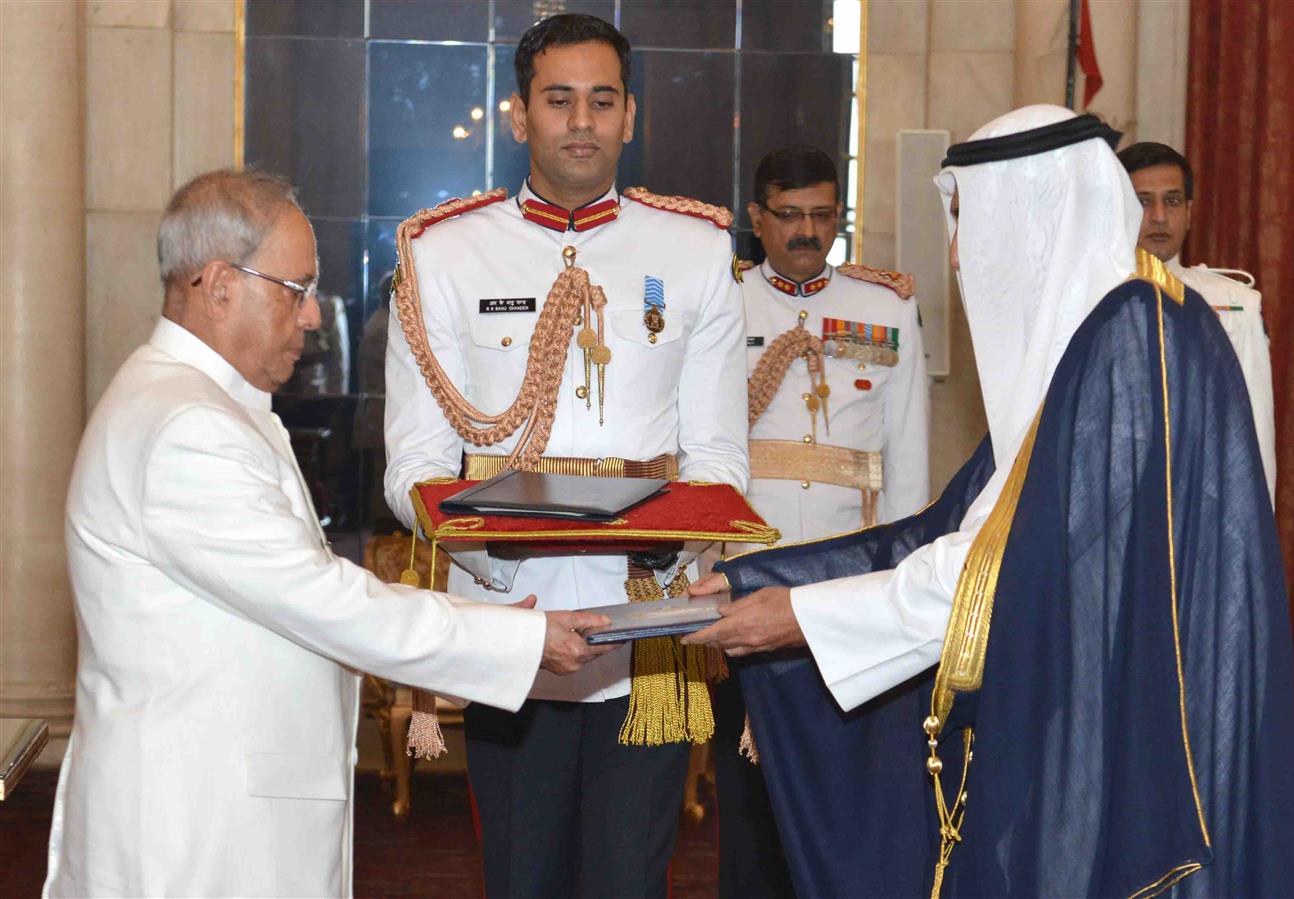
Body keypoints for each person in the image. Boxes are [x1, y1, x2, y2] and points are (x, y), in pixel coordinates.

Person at [685, 106, 1294, 897]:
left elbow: (1008, 564)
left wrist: (797, 616)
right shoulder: (1119, 327)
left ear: (1028, 218)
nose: (955, 252)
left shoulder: (1129, 338)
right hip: (1103, 697)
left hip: (1144, 726)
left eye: (965, 220)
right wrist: (760, 580)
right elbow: (957, 523)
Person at [43, 169, 614, 899]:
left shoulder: (196, 403)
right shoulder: (185, 425)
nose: (313, 315)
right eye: (296, 288)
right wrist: (520, 639)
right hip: (198, 834)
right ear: (219, 284)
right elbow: (319, 599)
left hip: (224, 813)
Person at [382, 13, 748, 899]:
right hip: (507, 628)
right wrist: (494, 555)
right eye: (558, 100)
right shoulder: (441, 253)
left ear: (630, 117)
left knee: (629, 879)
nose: (580, 120)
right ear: (519, 117)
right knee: (521, 879)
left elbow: (718, 457)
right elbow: (412, 466)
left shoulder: (695, 248)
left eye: (601, 100)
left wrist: (677, 546)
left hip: (644, 620)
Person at [716, 143, 928, 898]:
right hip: (751, 571)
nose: (807, 231)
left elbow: (906, 455)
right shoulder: (725, 299)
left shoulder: (885, 305)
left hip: (852, 583)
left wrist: (903, 583)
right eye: (790, 215)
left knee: (848, 791)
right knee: (749, 796)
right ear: (756, 218)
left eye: (822, 214)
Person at [1119, 140, 1277, 501]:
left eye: (1172, 201)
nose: (1159, 216)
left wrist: (1254, 535)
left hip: (1202, 503)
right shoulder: (1089, 301)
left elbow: (1255, 430)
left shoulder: (1235, 303)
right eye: (1143, 202)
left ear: (1189, 211)